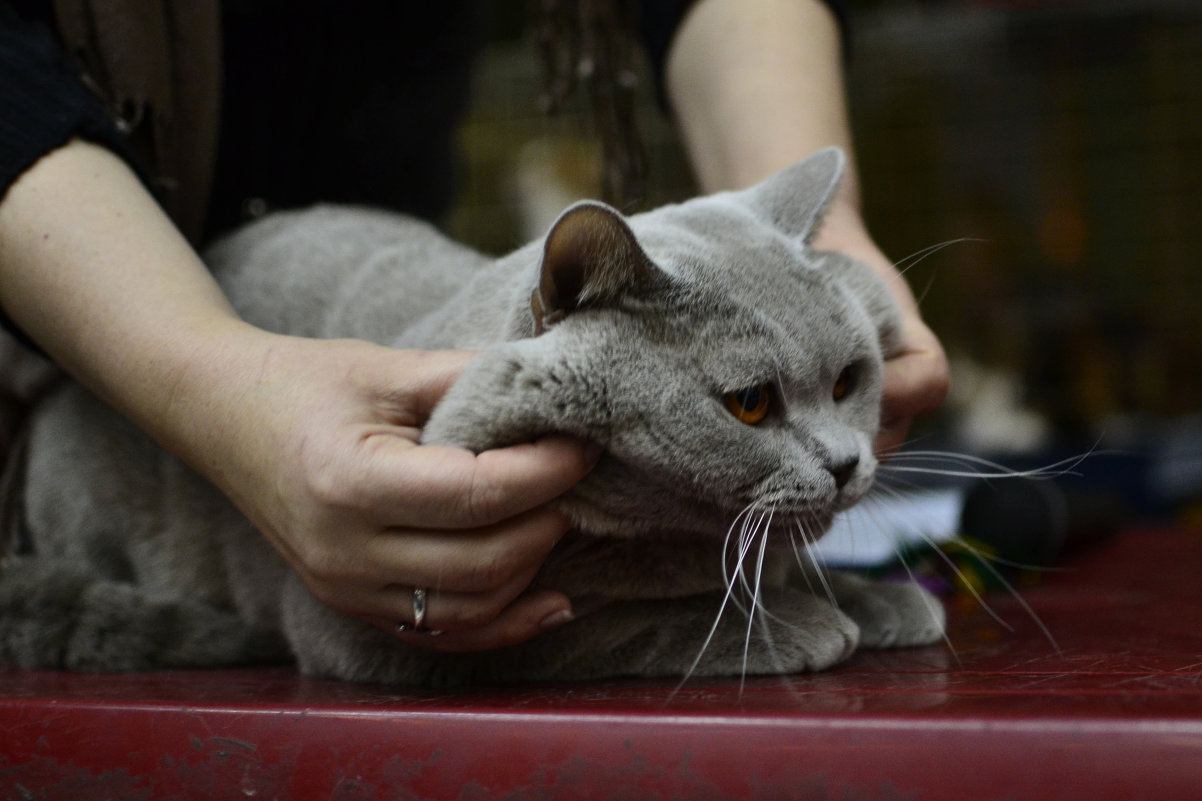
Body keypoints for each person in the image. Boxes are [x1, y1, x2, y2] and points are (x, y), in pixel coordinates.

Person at [0, 0, 948, 654]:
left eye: (840, 390)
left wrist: (813, 260)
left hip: (372, 230)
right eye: (748, 398)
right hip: (73, 316)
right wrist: (212, 385)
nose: (840, 462)